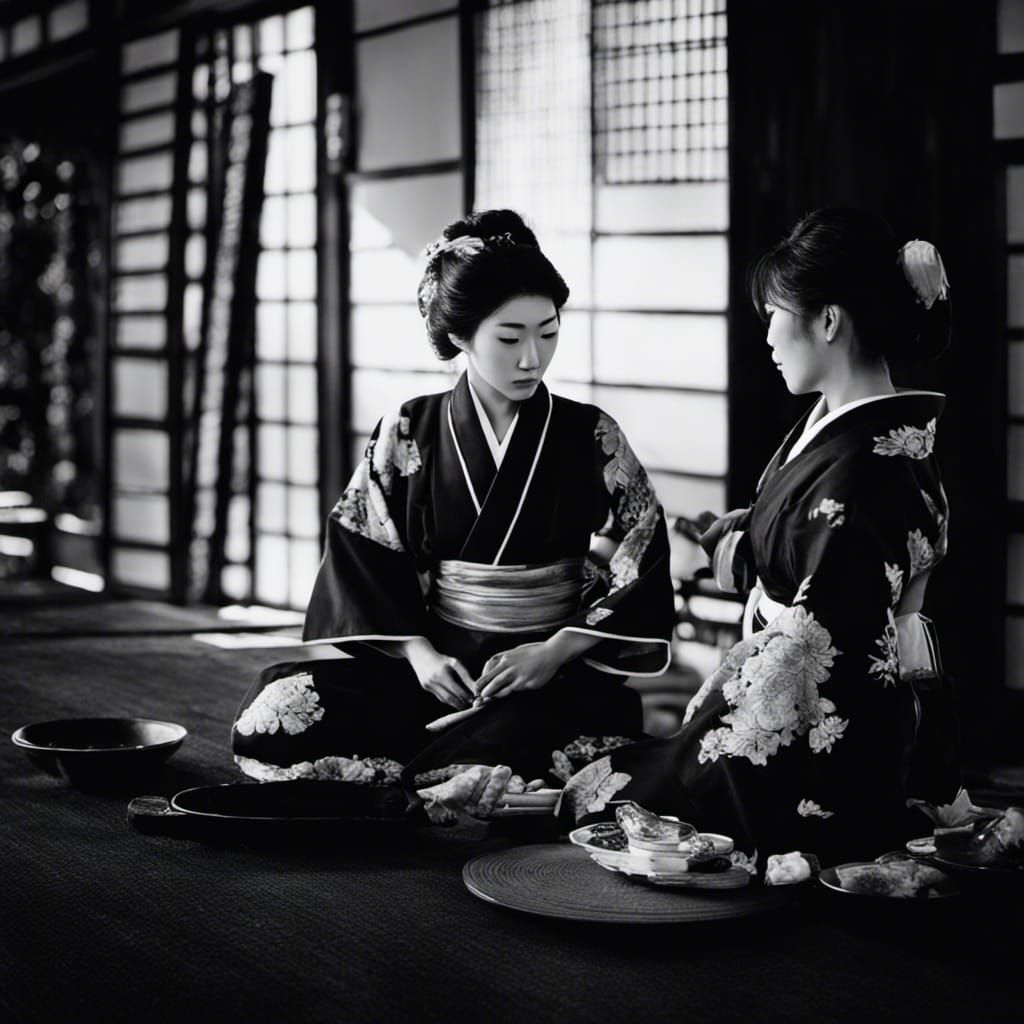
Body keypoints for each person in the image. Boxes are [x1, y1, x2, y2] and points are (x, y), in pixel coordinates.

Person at [231, 209, 675, 819]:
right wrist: (418, 654)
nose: (532, 358)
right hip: (442, 667)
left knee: (529, 732)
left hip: (549, 675)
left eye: (547, 333)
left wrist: (555, 651)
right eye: (510, 337)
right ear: (462, 336)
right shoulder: (409, 426)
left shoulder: (591, 432)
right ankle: (469, 780)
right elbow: (365, 548)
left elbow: (641, 548)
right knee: (275, 707)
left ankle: (445, 781)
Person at [560, 207, 960, 866]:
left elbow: (817, 634)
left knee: (617, 799)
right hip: (807, 675)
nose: (768, 337)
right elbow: (809, 543)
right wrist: (749, 540)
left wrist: (699, 737)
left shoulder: (869, 469)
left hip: (833, 717)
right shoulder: (845, 429)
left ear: (829, 321)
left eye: (775, 314)